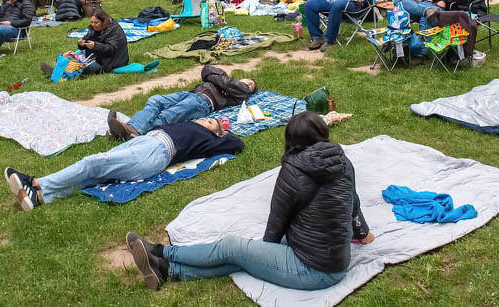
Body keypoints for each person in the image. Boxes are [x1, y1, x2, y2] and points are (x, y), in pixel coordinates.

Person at [123, 112, 373, 292]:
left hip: (314, 270)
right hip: (331, 260)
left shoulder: (293, 170)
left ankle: (160, 251)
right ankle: (167, 270)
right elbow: (354, 204)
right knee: (244, 259)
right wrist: (363, 233)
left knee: (232, 248)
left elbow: (277, 222)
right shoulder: (342, 161)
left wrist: (264, 253)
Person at [4, 117, 244, 212]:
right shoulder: (190, 124)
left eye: (211, 122)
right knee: (97, 174)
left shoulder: (207, 139)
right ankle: (41, 197)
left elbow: (238, 144)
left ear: (217, 132)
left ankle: (36, 183)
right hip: (145, 142)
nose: (205, 120)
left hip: (157, 153)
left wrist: (221, 134)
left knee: (94, 162)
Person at [107, 66, 257, 139]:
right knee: (155, 100)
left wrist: (220, 80)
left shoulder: (241, 93)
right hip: (189, 94)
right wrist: (222, 80)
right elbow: (207, 69)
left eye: (251, 86)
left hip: (204, 103)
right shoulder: (227, 79)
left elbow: (214, 77)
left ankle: (129, 130)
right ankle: (130, 129)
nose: (248, 85)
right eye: (249, 81)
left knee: (167, 115)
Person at [46, 8, 129, 76]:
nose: (93, 24)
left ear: (104, 21)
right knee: (72, 55)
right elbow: (88, 39)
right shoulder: (95, 28)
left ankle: (63, 73)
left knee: (84, 68)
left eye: (96, 22)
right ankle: (59, 70)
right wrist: (82, 44)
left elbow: (112, 50)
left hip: (112, 61)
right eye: (92, 22)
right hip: (96, 55)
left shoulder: (114, 31)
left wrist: (95, 46)